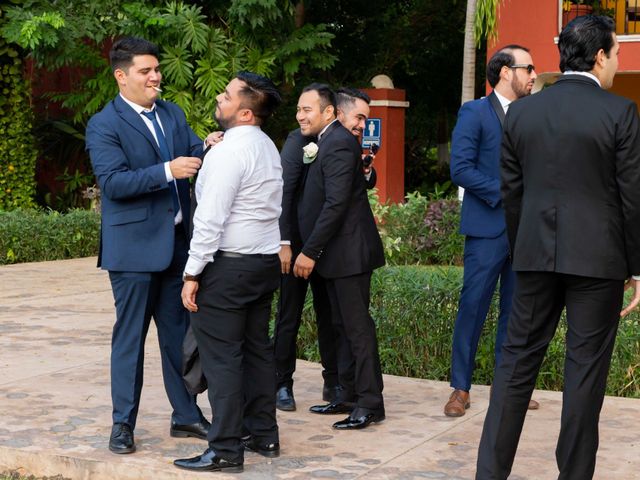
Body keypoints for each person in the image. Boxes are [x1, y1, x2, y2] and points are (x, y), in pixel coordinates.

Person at [476, 15, 640, 480]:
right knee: (584, 377)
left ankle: (488, 474)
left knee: (513, 369)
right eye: (616, 54)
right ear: (601, 55)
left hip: (533, 256)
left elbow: (513, 194)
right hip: (599, 262)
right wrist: (638, 267)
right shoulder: (619, 112)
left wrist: (523, 246)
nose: (615, 64)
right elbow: (633, 198)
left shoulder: (522, 112)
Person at [85, 36, 210, 455]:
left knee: (178, 336)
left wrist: (210, 145)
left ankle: (186, 415)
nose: (156, 76)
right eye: (146, 71)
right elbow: (114, 183)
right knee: (131, 338)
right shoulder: (104, 124)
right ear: (122, 77)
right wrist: (166, 171)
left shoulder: (172, 113)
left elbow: (193, 151)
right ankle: (122, 424)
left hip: (178, 246)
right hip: (133, 250)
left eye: (156, 69)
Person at [174, 71, 283, 473]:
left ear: (246, 113)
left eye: (227, 95)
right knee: (256, 353)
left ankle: (224, 449)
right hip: (263, 265)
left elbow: (210, 221)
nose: (219, 98)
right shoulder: (268, 147)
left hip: (228, 268)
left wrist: (191, 273)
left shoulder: (229, 153)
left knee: (222, 361)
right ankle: (263, 435)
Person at [445, 45, 539, 418]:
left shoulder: (534, 114)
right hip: (487, 228)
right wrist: (508, 194)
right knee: (473, 307)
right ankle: (460, 388)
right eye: (528, 68)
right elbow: (461, 169)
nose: (534, 75)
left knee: (516, 313)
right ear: (504, 72)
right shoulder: (474, 113)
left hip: (526, 231)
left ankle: (508, 387)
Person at [273, 87, 377, 412]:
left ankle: (350, 392)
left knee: (343, 323)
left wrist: (313, 250)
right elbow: (287, 193)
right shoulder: (300, 142)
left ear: (328, 112)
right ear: (338, 113)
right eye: (359, 117)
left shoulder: (339, 141)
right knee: (291, 315)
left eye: (307, 109)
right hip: (303, 246)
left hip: (331, 248)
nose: (361, 125)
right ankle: (283, 383)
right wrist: (286, 242)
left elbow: (338, 198)